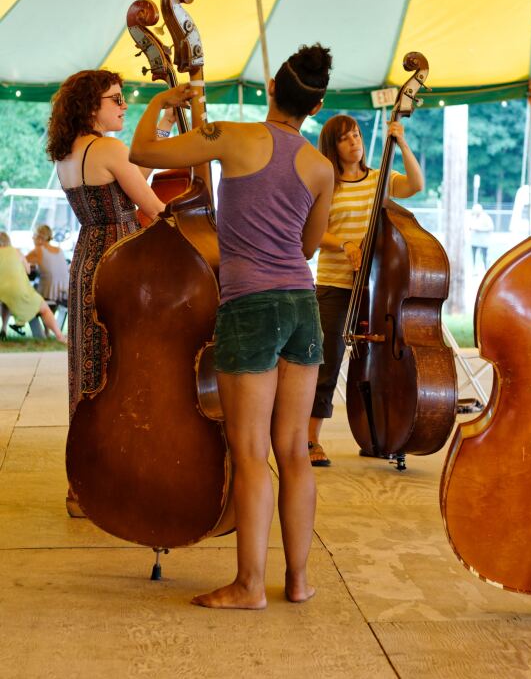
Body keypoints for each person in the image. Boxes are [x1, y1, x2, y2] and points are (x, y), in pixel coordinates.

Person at [129, 44, 334, 609]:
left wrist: (164, 99)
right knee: (294, 450)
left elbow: (142, 149)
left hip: (250, 305)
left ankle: (249, 585)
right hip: (302, 304)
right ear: (314, 104)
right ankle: (297, 581)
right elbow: (310, 245)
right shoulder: (321, 166)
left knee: (249, 453)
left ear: (272, 86)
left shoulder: (234, 137)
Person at [47, 69, 171, 515]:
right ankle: (121, 478)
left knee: (88, 371)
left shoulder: (69, 153)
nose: (122, 105)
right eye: (115, 99)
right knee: (124, 370)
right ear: (90, 105)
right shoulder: (109, 148)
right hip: (121, 262)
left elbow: (133, 175)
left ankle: (81, 486)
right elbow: (152, 207)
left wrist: (159, 129)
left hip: (87, 260)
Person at [307, 114, 424, 467]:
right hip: (335, 284)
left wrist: (401, 143)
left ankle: (381, 431)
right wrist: (344, 245)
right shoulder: (328, 184)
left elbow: (417, 184)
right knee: (327, 363)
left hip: (376, 288)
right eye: (345, 138)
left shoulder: (379, 179)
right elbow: (313, 235)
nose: (354, 142)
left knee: (380, 360)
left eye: (356, 134)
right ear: (333, 146)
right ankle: (310, 439)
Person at [0, 232, 67, 342]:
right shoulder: (16, 252)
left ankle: (3, 328)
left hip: (3, 291)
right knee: (44, 309)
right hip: (22, 291)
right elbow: (28, 270)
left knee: (6, 300)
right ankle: (60, 337)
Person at [27, 224, 70, 308]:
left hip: (49, 296)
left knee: (23, 304)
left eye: (34, 235)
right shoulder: (59, 250)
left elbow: (19, 262)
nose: (32, 238)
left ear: (39, 237)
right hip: (64, 295)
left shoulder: (38, 250)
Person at [467, 203, 494, 271]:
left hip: (483, 242)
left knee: (484, 257)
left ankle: (486, 270)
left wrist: (480, 229)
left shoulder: (486, 217)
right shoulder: (473, 217)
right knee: (473, 256)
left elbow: (491, 228)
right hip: (474, 241)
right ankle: (474, 269)